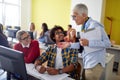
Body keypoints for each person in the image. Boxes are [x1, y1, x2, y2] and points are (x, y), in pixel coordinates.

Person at [70, 3, 111, 80]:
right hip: (88, 62)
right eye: (72, 16)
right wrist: (69, 45)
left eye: (74, 16)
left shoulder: (95, 25)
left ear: (84, 15)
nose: (73, 19)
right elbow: (82, 45)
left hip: (94, 64)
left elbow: (108, 43)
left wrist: (89, 43)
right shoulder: (84, 26)